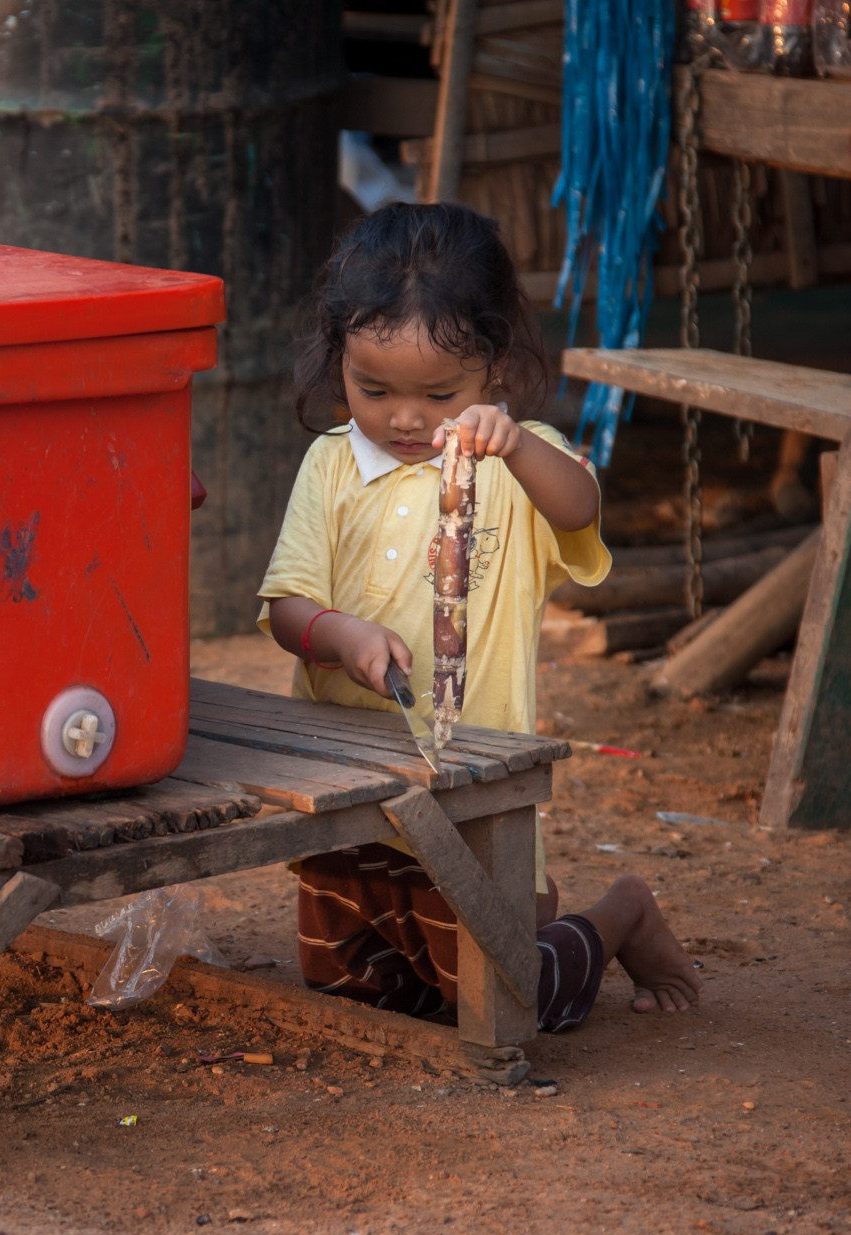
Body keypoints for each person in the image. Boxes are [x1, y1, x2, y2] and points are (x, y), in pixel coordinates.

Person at [257, 202, 699, 1028]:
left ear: (493, 368)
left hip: (472, 791)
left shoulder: (514, 462)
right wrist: (339, 635)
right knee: (347, 983)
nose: (406, 417)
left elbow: (579, 509)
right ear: (337, 359)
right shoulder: (329, 465)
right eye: (373, 388)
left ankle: (618, 916)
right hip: (345, 782)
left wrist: (518, 445)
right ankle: (527, 914)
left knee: (501, 1000)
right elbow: (286, 607)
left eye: (439, 393)